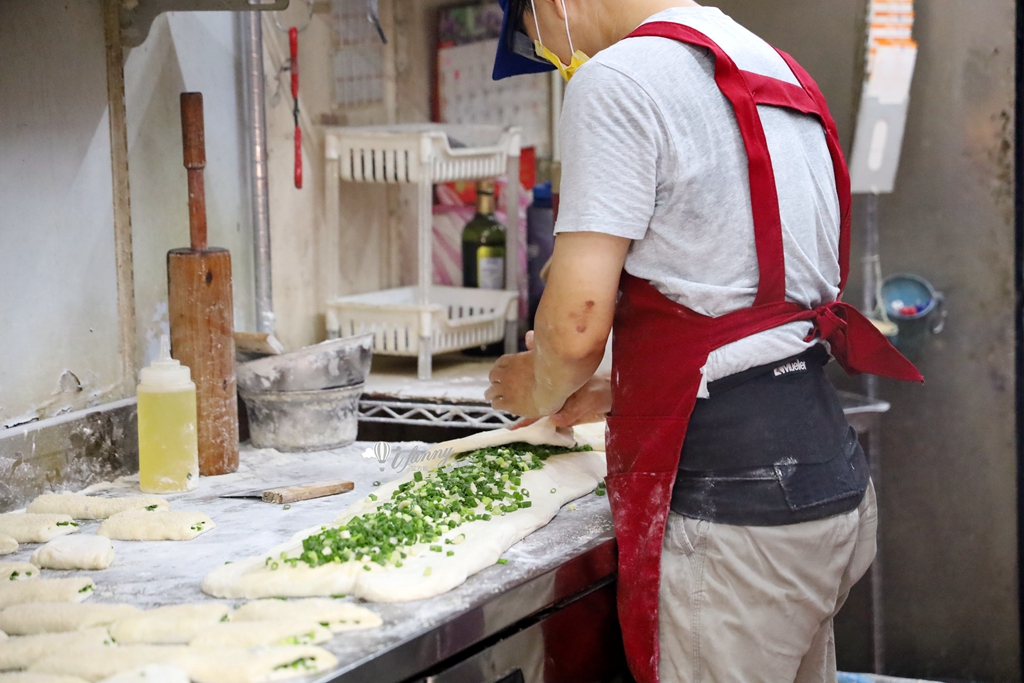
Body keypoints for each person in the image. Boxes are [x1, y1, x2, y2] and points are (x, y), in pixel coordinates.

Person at [486, 1, 923, 682]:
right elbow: (748, 298)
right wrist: (627, 393)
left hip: (736, 516)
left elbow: (575, 326)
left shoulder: (618, 78)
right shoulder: (771, 65)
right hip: (826, 485)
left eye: (530, 35)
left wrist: (540, 387)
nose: (546, 54)